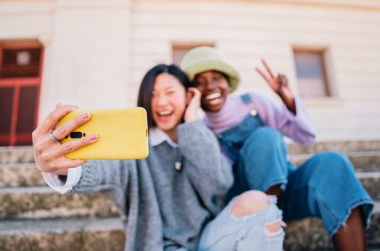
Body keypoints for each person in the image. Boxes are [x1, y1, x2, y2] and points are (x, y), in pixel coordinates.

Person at [32, 64, 285, 251]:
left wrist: (192, 123)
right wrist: (59, 166)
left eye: (169, 92)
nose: (161, 102)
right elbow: (104, 169)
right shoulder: (134, 145)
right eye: (152, 94)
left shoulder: (200, 135)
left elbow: (219, 183)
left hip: (211, 240)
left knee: (258, 201)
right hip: (158, 247)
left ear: (188, 96)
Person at [180, 46, 374, 251]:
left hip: (285, 190)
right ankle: (266, 215)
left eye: (216, 78)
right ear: (190, 92)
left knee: (333, 163)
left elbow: (306, 136)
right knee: (265, 135)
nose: (210, 86)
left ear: (228, 82)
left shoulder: (253, 102)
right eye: (199, 82)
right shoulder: (197, 131)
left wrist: (287, 98)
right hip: (246, 205)